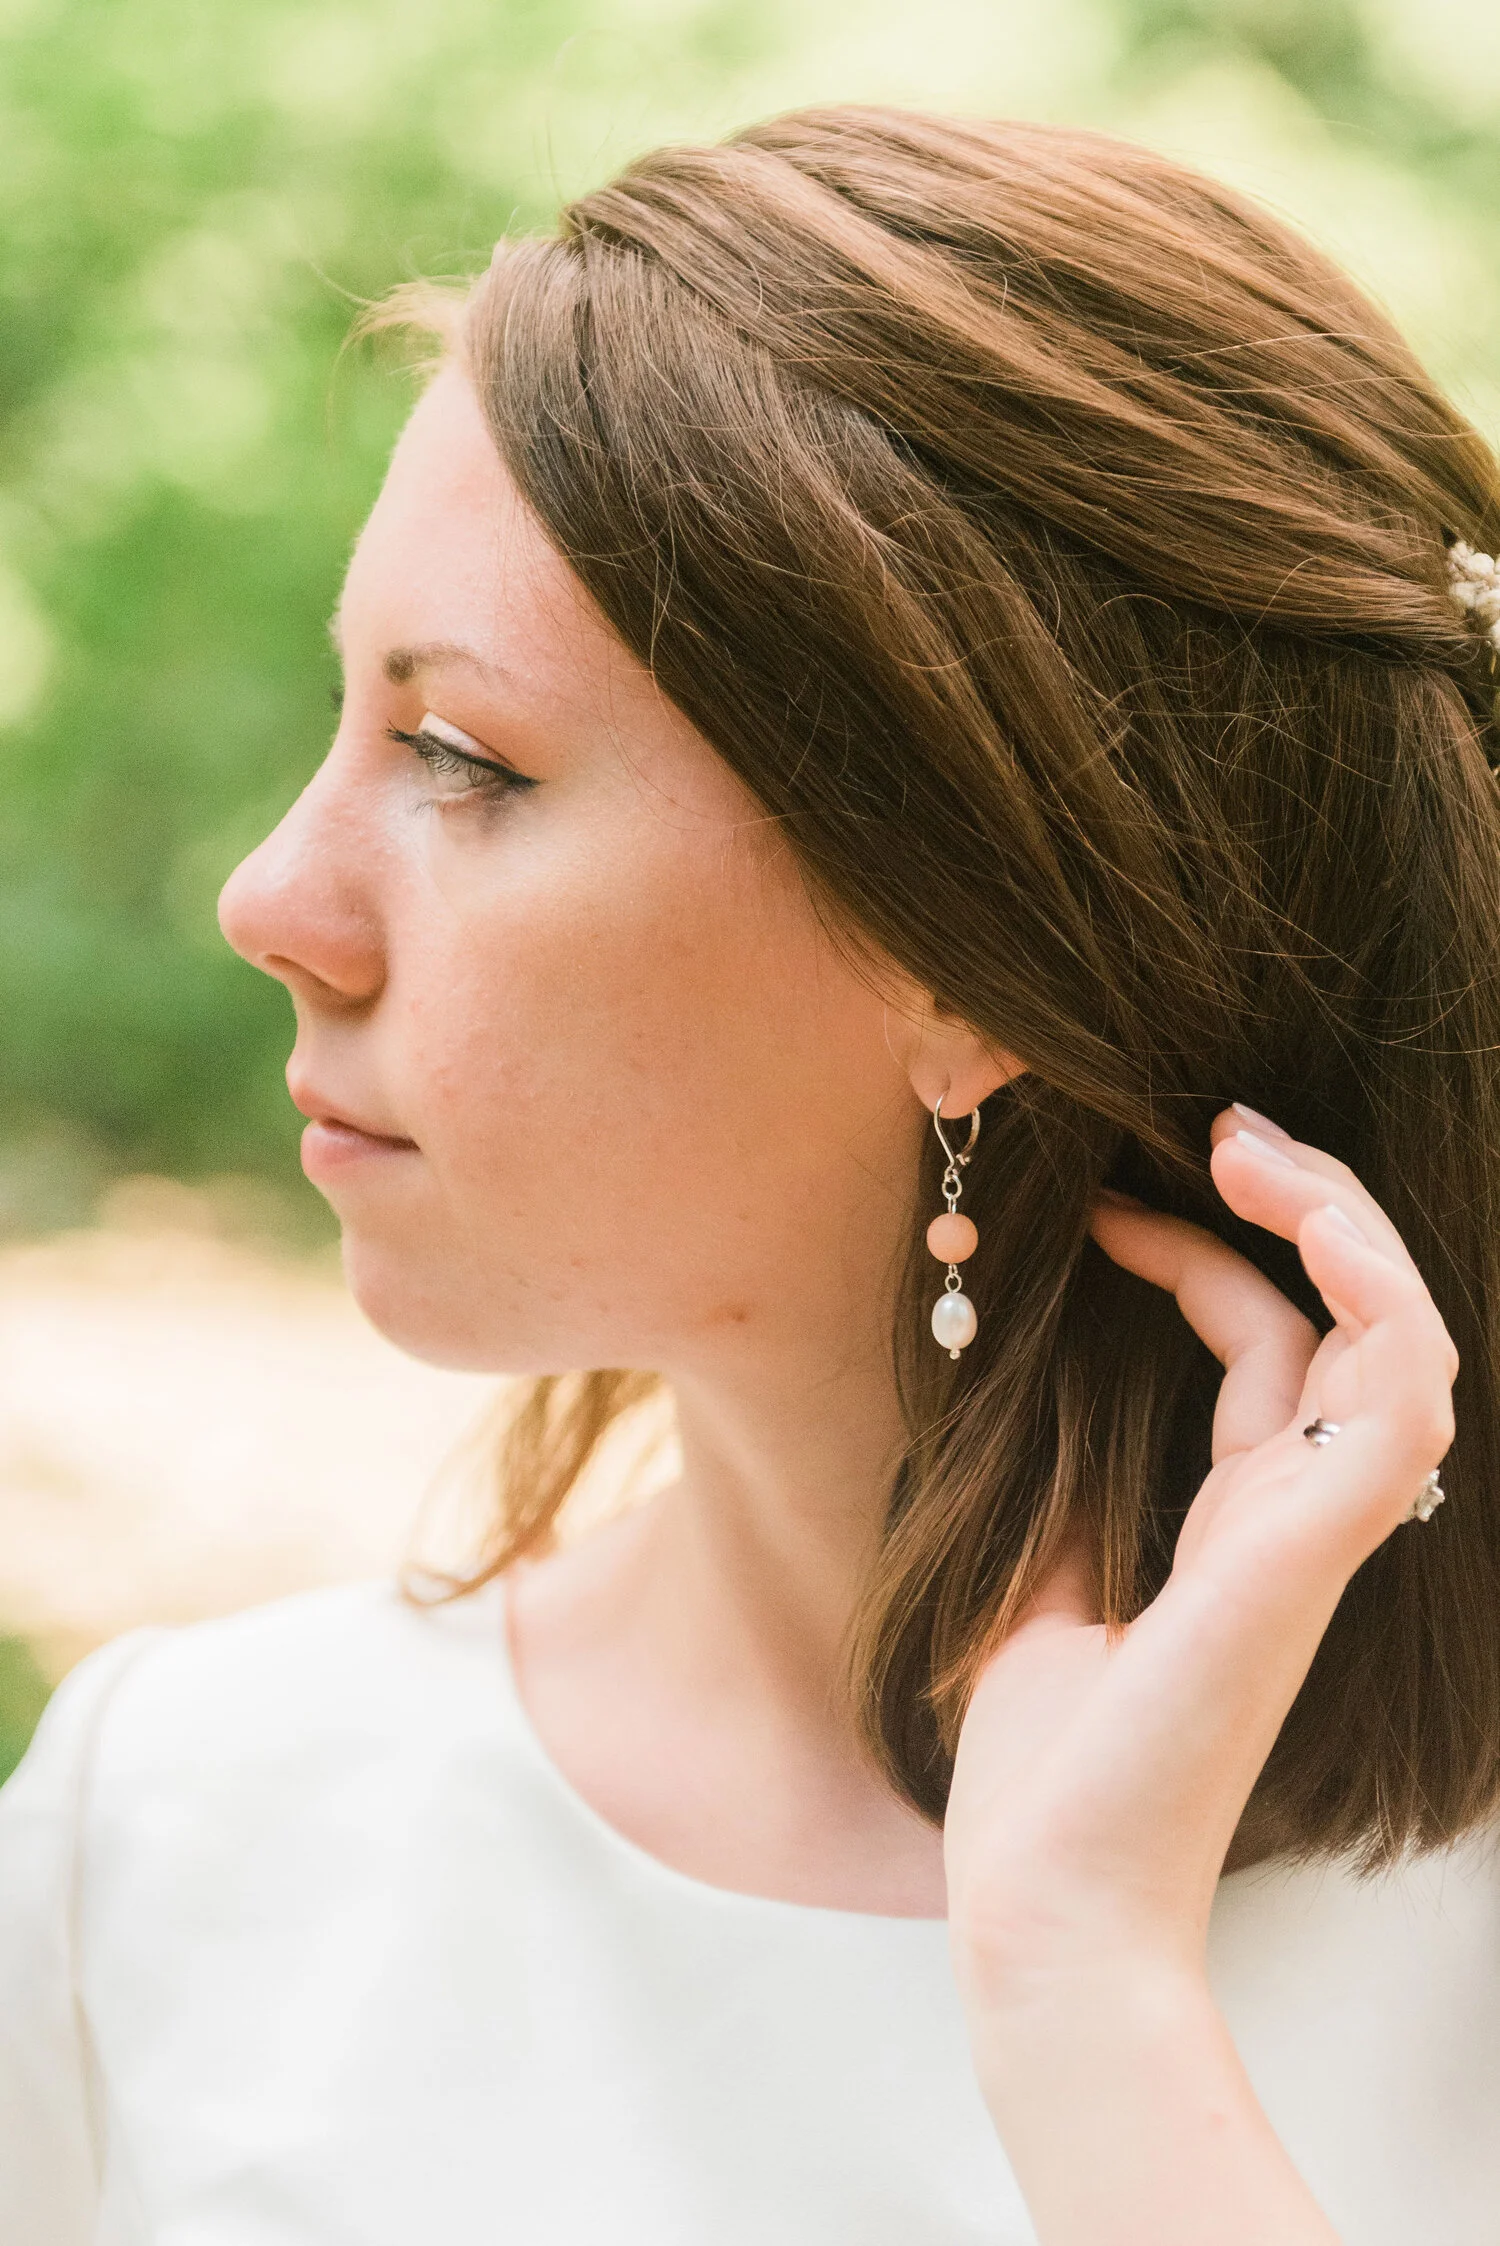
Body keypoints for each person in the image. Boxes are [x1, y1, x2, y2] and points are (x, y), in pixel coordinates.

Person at [3, 106, 1499, 2246]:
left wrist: (1089, 2004)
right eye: (346, 722)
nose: (272, 896)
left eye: (458, 760)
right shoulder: (166, 1845)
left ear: (978, 947)